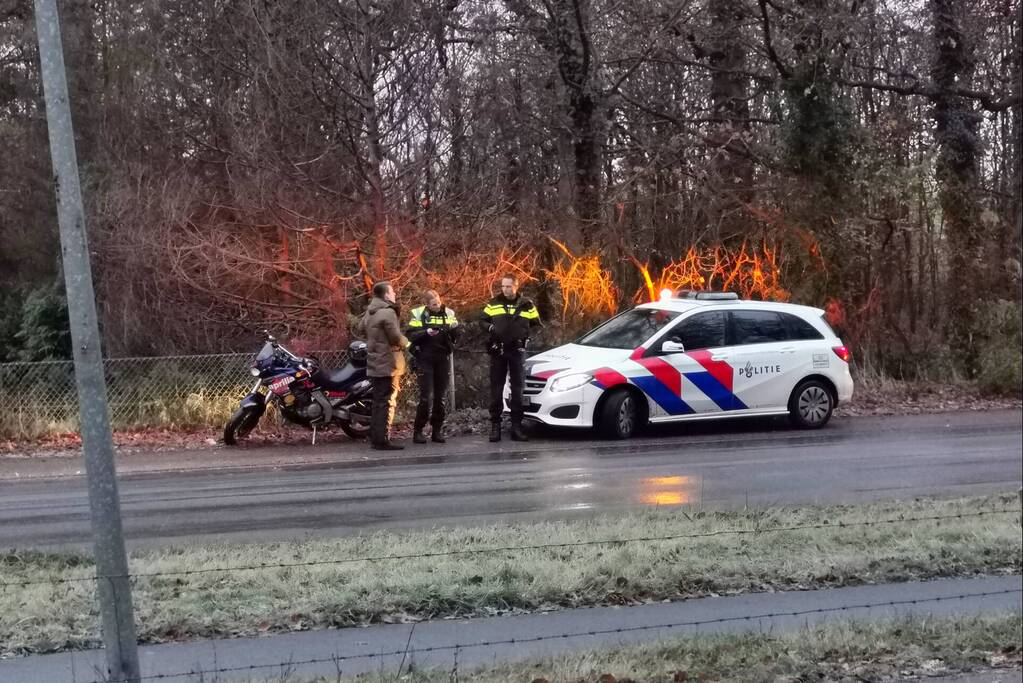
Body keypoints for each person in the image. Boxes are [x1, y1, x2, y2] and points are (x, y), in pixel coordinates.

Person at [480, 274, 541, 442]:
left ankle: (516, 427)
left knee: (518, 389)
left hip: (517, 350)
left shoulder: (526, 304)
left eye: (508, 286)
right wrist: (491, 328)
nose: (505, 289)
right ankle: (495, 427)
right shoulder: (493, 303)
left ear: (516, 286)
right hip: (499, 350)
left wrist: (523, 333)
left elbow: (536, 322)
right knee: (496, 389)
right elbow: (482, 321)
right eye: (503, 286)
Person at [357, 281, 410, 450]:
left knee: (378, 401)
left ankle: (376, 438)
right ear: (386, 295)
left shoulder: (370, 311)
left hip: (374, 361)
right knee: (387, 401)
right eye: (392, 292)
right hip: (388, 362)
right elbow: (395, 337)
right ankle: (382, 440)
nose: (394, 294)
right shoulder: (388, 312)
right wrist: (408, 343)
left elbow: (360, 328)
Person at [406, 290, 460, 444]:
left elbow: (455, 336)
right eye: (434, 304)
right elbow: (410, 336)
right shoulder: (419, 314)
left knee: (440, 397)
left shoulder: (448, 313)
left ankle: (437, 430)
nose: (437, 306)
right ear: (427, 305)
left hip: (442, 358)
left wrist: (455, 329)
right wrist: (426, 332)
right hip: (425, 359)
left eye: (438, 302)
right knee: (426, 397)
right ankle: (418, 431)